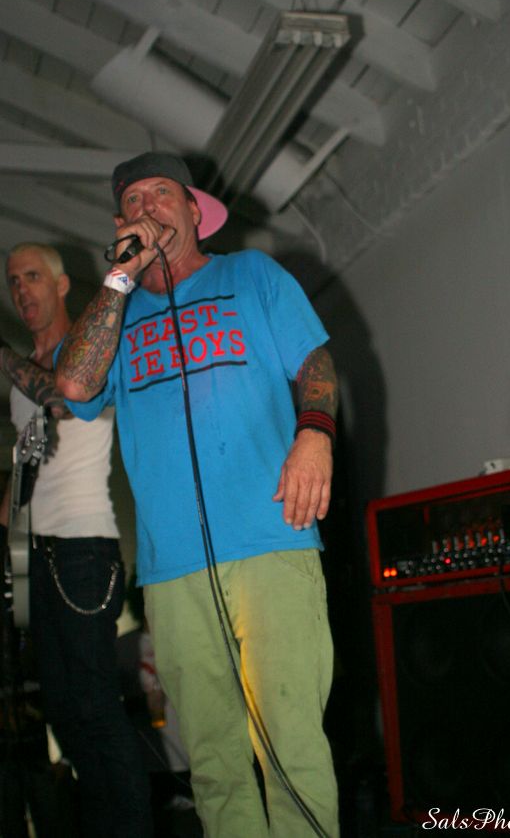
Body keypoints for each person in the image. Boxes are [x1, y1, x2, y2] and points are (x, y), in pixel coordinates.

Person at [55, 152, 340, 837]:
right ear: (120, 224)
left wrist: (315, 434)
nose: (147, 207)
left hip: (272, 537)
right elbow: (74, 386)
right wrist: (119, 279)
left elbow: (314, 362)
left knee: (290, 744)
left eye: (161, 193)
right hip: (174, 568)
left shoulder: (252, 275)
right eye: (133, 201)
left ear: (192, 210)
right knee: (212, 762)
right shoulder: (116, 315)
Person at [0, 243, 152, 838]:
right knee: (63, 711)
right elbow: (29, 464)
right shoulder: (22, 375)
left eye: (32, 276)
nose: (22, 289)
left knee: (94, 705)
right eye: (13, 281)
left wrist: (3, 356)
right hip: (37, 554)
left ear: (62, 285)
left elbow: (64, 401)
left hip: (84, 549)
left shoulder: (86, 351)